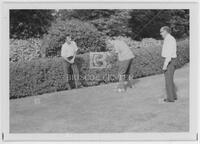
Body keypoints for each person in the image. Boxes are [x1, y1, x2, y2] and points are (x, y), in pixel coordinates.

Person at [160, 26, 177, 102]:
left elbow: (169, 54)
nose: (160, 33)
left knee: (168, 80)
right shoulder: (168, 39)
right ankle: (173, 96)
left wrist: (165, 65)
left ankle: (170, 99)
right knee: (170, 80)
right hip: (169, 60)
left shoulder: (170, 39)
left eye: (161, 32)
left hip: (169, 61)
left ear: (166, 31)